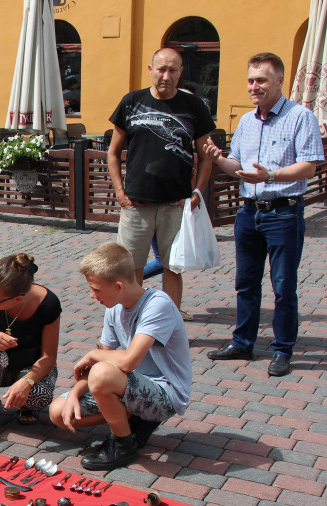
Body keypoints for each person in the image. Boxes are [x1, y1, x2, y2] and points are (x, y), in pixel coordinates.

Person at [203, 52, 325, 377]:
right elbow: (239, 167)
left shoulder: (301, 116)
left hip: (283, 213)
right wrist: (218, 159)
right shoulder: (245, 121)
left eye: (261, 80)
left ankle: (282, 350)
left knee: (283, 285)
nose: (254, 87)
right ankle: (243, 341)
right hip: (248, 214)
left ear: (279, 81)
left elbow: (309, 165)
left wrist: (270, 176)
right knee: (246, 283)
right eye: (251, 80)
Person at [49, 242, 191, 471]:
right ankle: (134, 421)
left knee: (102, 372)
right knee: (59, 412)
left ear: (118, 286)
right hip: (127, 384)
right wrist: (75, 393)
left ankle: (122, 445)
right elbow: (105, 360)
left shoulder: (158, 305)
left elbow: (128, 361)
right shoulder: (114, 307)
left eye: (96, 289)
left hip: (165, 393)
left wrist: (94, 354)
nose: (92, 296)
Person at [108, 47, 215, 312]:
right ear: (151, 70)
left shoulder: (194, 106)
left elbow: (205, 156)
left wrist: (197, 193)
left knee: (173, 267)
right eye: (161, 69)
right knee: (130, 271)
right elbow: (112, 153)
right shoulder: (132, 101)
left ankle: (169, 324)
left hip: (175, 205)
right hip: (136, 204)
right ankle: (131, 325)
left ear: (180, 73)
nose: (166, 76)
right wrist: (120, 192)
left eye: (173, 70)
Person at [0, 253, 60, 442]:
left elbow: (49, 356)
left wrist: (27, 382)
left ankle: (25, 405)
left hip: (31, 367)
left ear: (17, 299)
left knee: (40, 396)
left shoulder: (48, 303)